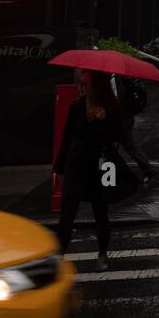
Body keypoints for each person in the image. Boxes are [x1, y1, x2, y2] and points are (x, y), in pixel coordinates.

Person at [53, 70, 124, 271]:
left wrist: (105, 119)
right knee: (67, 212)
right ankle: (60, 254)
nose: (82, 86)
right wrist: (59, 167)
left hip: (101, 166)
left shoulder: (111, 108)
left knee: (100, 211)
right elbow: (68, 137)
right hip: (77, 163)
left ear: (96, 85)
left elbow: (119, 136)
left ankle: (102, 252)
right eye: (81, 82)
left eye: (86, 83)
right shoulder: (76, 107)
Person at [112, 75, 157, 182]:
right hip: (126, 117)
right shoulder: (123, 77)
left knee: (115, 146)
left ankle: (111, 174)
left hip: (120, 118)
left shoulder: (114, 79)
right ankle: (148, 169)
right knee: (129, 146)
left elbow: (118, 97)